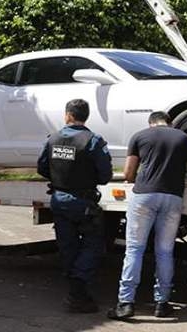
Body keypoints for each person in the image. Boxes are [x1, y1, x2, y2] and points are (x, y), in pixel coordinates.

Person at [108, 111, 187, 320]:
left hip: (144, 196)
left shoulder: (139, 136)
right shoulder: (184, 139)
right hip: (172, 198)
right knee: (165, 251)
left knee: (134, 250)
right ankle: (162, 304)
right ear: (169, 123)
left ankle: (125, 303)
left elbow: (128, 174)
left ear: (151, 123)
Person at [37, 99, 113, 313]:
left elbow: (42, 167)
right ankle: (78, 289)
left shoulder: (52, 139)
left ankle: (76, 293)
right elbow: (105, 175)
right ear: (85, 116)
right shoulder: (93, 140)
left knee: (67, 246)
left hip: (59, 200)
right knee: (94, 246)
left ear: (67, 115)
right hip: (83, 202)